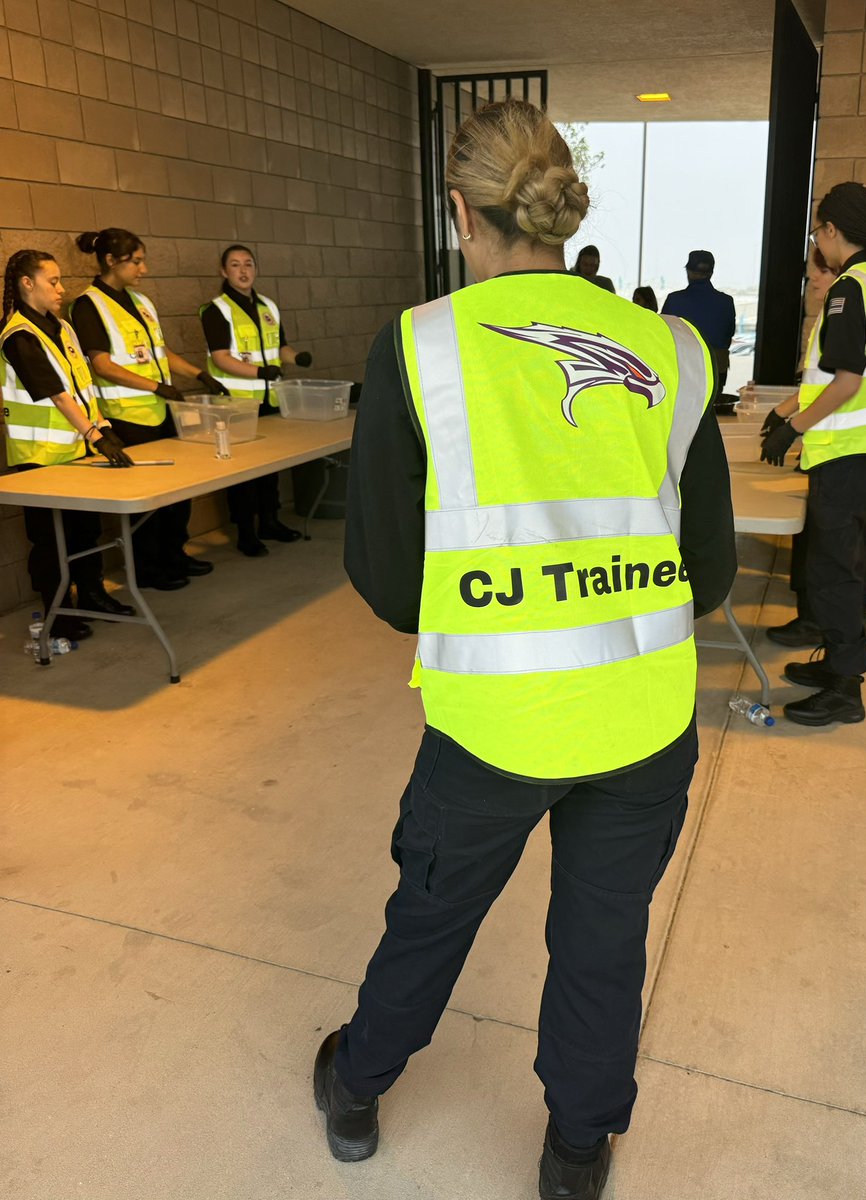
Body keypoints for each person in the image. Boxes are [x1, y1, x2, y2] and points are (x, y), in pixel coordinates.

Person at [312, 99, 736, 1200]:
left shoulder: (420, 349)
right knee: (602, 944)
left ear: (461, 211)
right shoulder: (673, 351)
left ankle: (356, 1092)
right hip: (645, 724)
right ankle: (577, 1154)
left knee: (432, 919)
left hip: (493, 726)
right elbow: (716, 569)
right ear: (563, 210)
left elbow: (390, 580)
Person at [759, 182, 866, 726]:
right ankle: (839, 666)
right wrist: (788, 418)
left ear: (830, 231)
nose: (817, 242)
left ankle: (846, 686)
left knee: (835, 570)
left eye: (818, 231)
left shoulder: (850, 286)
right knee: (844, 564)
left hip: (849, 451)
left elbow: (846, 382)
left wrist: (791, 427)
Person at [70, 228, 226, 590]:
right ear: (111, 261)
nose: (144, 268)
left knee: (177, 491)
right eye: (136, 261)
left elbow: (161, 353)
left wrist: (199, 374)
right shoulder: (88, 305)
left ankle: (175, 555)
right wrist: (157, 386)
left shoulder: (141, 302)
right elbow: (102, 364)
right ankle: (148, 568)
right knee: (147, 500)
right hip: (129, 417)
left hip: (160, 412)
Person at [0, 249, 135, 640]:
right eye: (53, 281)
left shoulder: (62, 327)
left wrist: (103, 427)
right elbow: (57, 395)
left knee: (83, 531)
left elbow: (82, 388)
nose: (61, 289)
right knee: (49, 540)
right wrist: (95, 435)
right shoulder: (18, 336)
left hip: (78, 453)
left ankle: (92, 594)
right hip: (40, 460)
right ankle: (57, 609)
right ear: (28, 284)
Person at [199, 245, 311, 556]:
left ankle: (270, 522)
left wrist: (296, 357)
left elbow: (281, 348)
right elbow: (221, 359)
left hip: (269, 400)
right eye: (235, 265)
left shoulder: (268, 307)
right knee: (243, 472)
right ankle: (246, 532)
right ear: (224, 272)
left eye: (248, 264)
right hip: (236, 404)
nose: (243, 270)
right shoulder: (215, 310)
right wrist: (260, 371)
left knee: (270, 466)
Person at [764, 247, 837, 649]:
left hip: (841, 447)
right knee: (818, 546)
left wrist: (792, 424)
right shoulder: (829, 319)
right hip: (826, 445)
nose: (810, 286)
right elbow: (815, 386)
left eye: (814, 277)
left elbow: (841, 385)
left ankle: (820, 627)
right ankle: (812, 618)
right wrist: (784, 411)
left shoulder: (841, 317)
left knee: (831, 553)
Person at [662, 251, 736, 394]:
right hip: (716, 365)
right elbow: (728, 335)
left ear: (688, 271)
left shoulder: (674, 300)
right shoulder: (726, 302)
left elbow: (665, 334)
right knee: (711, 408)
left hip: (682, 365)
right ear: (711, 272)